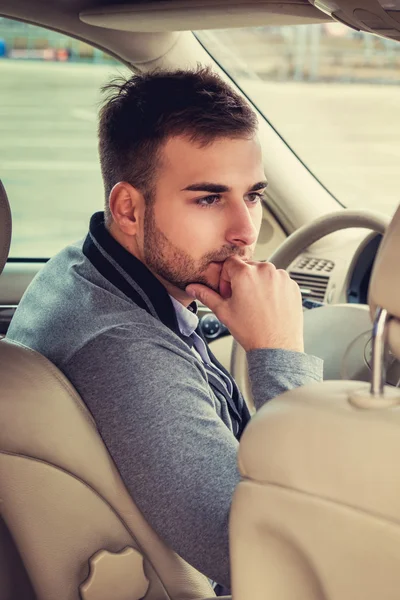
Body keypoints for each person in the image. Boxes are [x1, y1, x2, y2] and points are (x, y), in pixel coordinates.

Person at [7, 66, 323, 590]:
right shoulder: (122, 354)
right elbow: (279, 566)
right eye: (208, 198)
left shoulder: (77, 271)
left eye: (252, 195)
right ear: (128, 209)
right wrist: (279, 350)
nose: (247, 231)